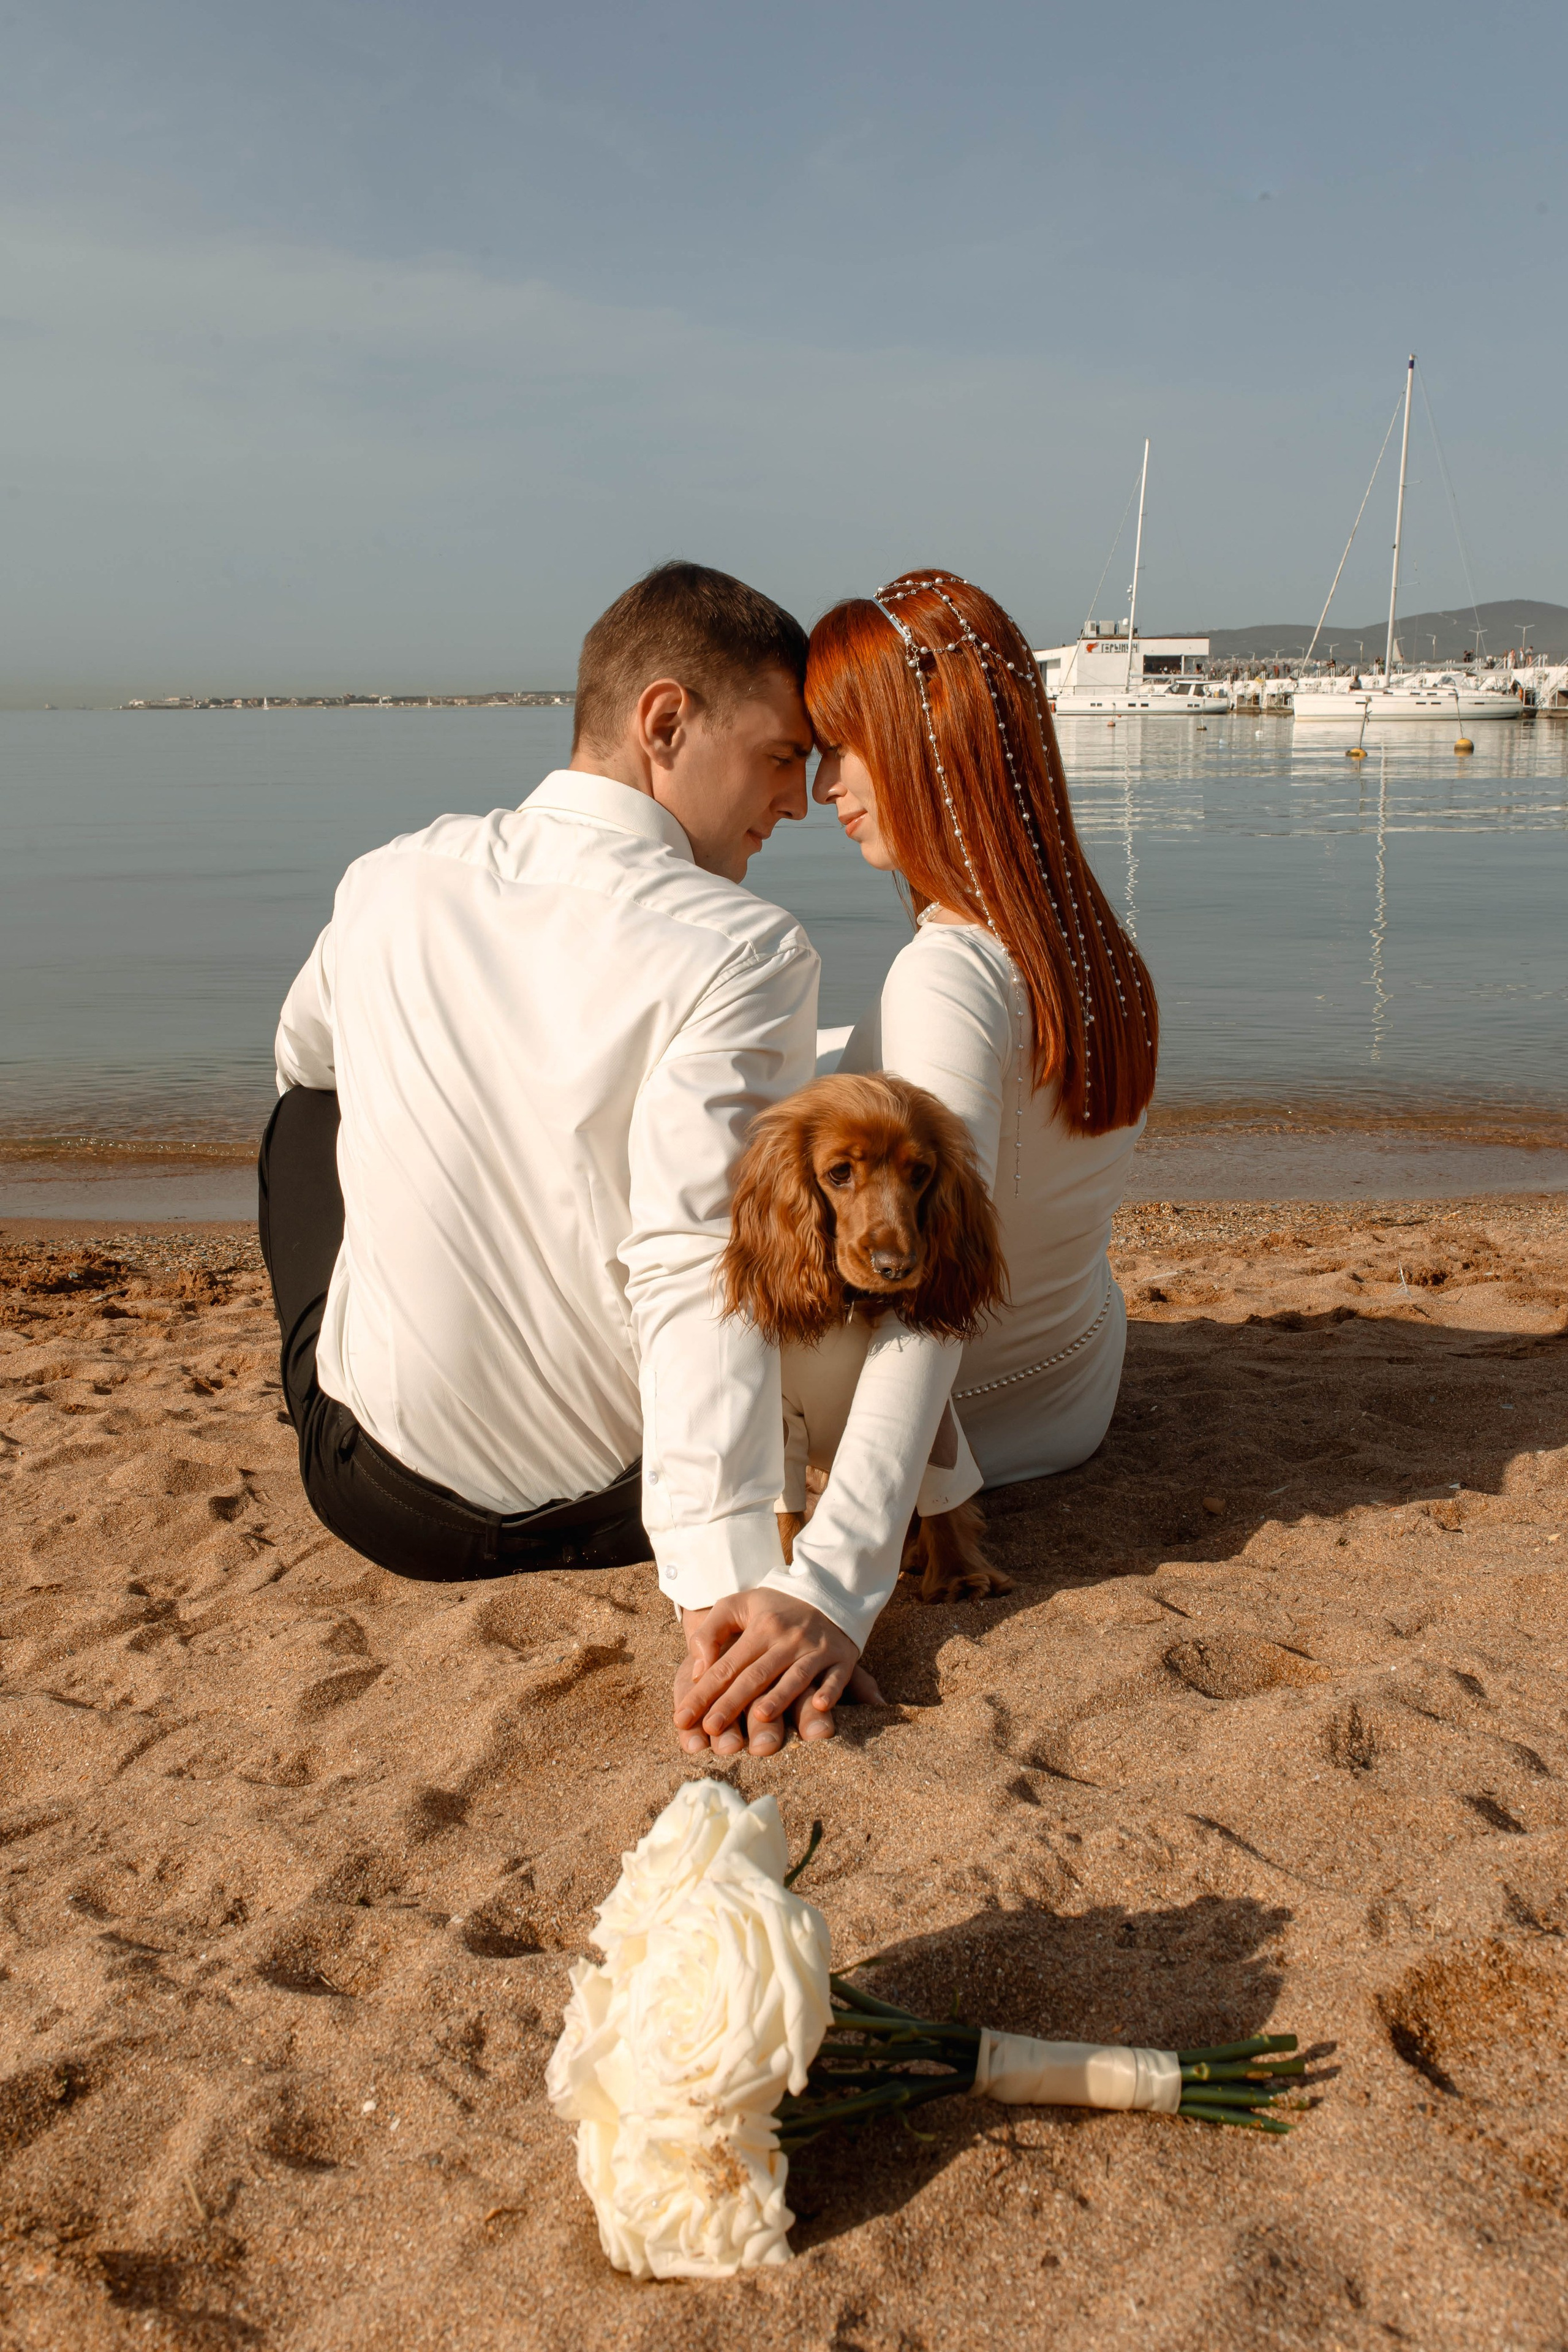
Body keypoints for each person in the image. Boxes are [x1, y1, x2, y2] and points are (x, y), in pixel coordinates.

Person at [259, 561, 883, 1758]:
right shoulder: (743, 946)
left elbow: (303, 1063)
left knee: (311, 1107)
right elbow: (696, 1250)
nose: (798, 800)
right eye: (777, 755)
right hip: (623, 1513)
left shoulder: (391, 880)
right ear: (665, 722)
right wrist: (717, 1574)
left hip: (385, 1507)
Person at [758, 569, 1157, 1603]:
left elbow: (927, 1304)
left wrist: (841, 1579)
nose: (822, 788)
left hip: (970, 1418)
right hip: (1075, 1378)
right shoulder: (1094, 950)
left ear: (932, 742)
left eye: (845, 750)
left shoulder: (946, 973)